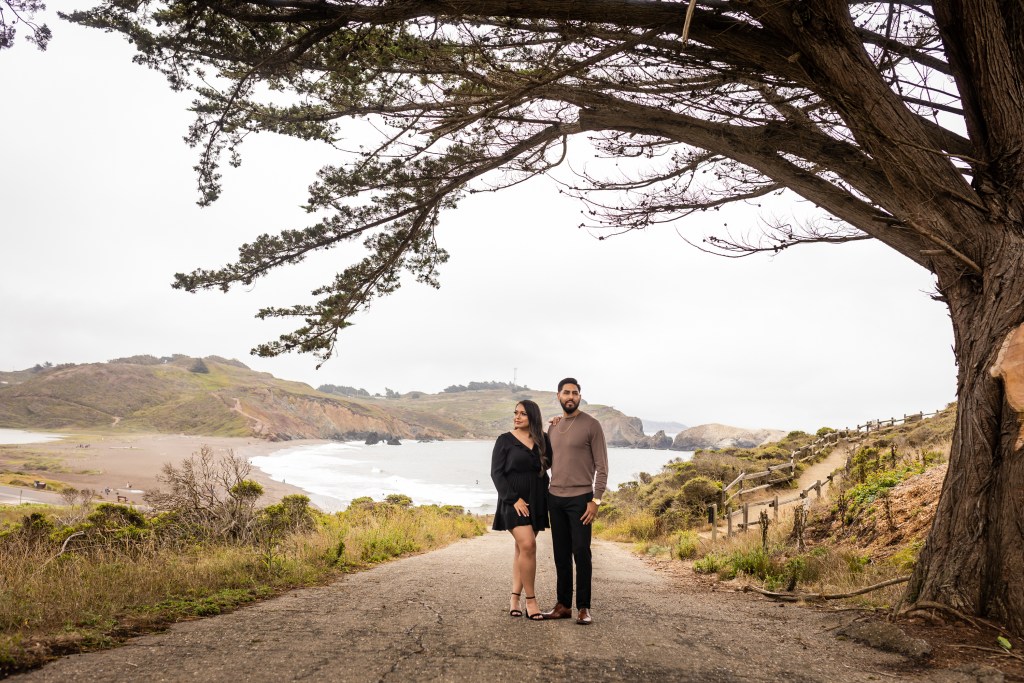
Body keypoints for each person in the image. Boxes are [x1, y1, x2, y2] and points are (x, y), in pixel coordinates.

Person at [542, 377, 608, 625]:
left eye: (575, 393)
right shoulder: (553, 427)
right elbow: (549, 462)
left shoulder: (592, 425)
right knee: (560, 555)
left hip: (581, 499)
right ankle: (562, 606)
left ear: (580, 396)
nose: (571, 396)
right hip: (555, 498)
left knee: (581, 553)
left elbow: (602, 467)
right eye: (566, 392)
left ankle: (583, 607)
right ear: (558, 396)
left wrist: (596, 500)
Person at [490, 399, 552, 621]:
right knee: (528, 545)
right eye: (516, 413)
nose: (517, 417)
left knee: (522, 549)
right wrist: (513, 499)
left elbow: (551, 464)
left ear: (533, 416)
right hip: (513, 501)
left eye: (523, 414)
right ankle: (531, 600)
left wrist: (557, 425)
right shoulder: (504, 440)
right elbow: (496, 473)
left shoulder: (543, 439)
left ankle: (514, 598)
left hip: (537, 499)